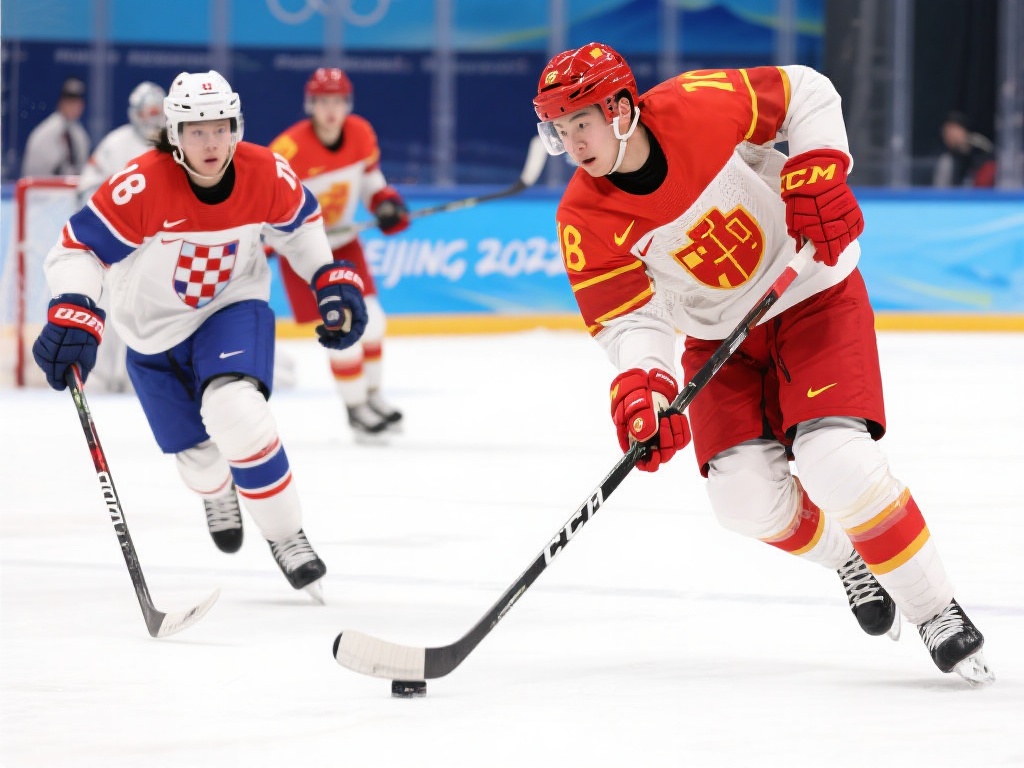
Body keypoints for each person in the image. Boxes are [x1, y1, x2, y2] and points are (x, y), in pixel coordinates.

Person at [532, 43, 993, 684]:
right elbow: (629, 320)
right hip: (719, 338)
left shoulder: (696, 105)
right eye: (559, 128)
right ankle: (851, 557)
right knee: (743, 500)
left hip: (810, 292)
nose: (571, 141)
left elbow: (805, 91)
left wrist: (817, 169)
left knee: (837, 460)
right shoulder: (583, 217)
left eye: (580, 121)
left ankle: (934, 609)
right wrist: (647, 388)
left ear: (620, 109)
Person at [30, 70, 368, 602]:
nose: (211, 143)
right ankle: (217, 490)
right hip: (150, 332)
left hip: (231, 306)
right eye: (196, 131)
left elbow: (300, 224)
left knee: (236, 410)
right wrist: (74, 307)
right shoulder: (141, 184)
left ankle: (286, 535)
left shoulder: (265, 171)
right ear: (175, 134)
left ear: (236, 127)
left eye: (220, 128)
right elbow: (77, 249)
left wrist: (326, 275)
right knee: (199, 461)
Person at [268, 67, 409, 442]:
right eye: (323, 101)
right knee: (341, 326)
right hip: (305, 255)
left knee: (374, 323)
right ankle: (355, 408)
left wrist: (384, 203)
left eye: (338, 101)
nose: (331, 109)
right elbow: (268, 208)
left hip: (344, 244)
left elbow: (370, 181)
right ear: (310, 104)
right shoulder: (287, 151)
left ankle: (372, 396)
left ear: (348, 103)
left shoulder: (361, 133)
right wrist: (268, 242)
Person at [72, 81, 167, 393]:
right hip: (118, 246)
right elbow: (87, 188)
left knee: (152, 312)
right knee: (111, 307)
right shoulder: (115, 144)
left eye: (158, 112)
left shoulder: (176, 144)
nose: (153, 119)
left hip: (159, 249)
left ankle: (139, 378)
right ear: (135, 113)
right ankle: (101, 377)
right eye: (148, 112)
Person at [21, 76, 91, 177]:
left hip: (70, 185)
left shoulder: (80, 135)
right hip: (42, 184)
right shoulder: (45, 133)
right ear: (61, 103)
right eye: (70, 102)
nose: (74, 107)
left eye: (77, 102)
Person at [933, 111, 996, 188]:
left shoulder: (980, 146)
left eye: (952, 130)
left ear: (963, 129)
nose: (948, 135)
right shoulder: (947, 160)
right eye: (945, 132)